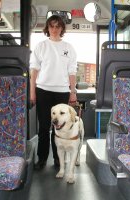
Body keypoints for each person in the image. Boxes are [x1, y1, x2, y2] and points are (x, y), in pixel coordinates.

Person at [30, 15, 78, 170]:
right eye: (52, 26)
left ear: (62, 28)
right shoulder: (41, 46)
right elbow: (34, 72)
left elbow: (72, 72)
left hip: (62, 92)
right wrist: (32, 93)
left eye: (58, 26)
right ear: (47, 28)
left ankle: (58, 159)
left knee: (60, 128)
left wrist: (73, 93)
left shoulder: (69, 48)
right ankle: (42, 159)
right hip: (43, 90)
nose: (55, 29)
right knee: (44, 128)